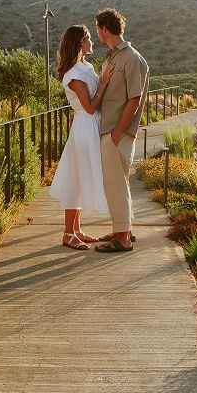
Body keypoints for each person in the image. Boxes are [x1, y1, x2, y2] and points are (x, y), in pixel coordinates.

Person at [49, 24, 115, 250]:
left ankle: (76, 230)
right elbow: (88, 107)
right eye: (88, 39)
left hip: (89, 125)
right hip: (85, 127)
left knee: (78, 178)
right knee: (75, 180)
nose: (92, 42)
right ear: (79, 43)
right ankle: (68, 233)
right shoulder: (74, 74)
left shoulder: (84, 67)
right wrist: (104, 84)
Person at [93, 8, 148, 253]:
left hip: (118, 133)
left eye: (97, 28)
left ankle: (123, 238)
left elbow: (134, 100)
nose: (97, 33)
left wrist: (117, 133)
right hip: (110, 130)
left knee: (116, 184)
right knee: (117, 184)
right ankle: (122, 229)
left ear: (105, 28)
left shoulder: (131, 58)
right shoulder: (111, 57)